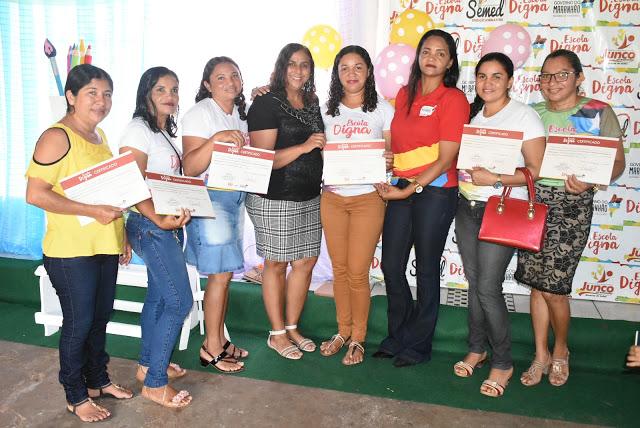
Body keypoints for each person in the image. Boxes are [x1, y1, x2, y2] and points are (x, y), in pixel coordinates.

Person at [25, 64, 133, 422]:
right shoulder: (57, 136)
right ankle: (75, 395)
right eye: (92, 93)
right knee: (79, 323)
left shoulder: (100, 137)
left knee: (99, 319)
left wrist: (123, 237)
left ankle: (98, 380)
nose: (101, 101)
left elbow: (113, 195)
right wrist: (89, 209)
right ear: (71, 97)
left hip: (104, 245)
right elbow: (35, 193)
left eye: (107, 94)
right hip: (70, 252)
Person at [516, 49, 626, 387]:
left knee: (556, 289)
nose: (552, 82)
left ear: (579, 78)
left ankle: (561, 350)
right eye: (546, 76)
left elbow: (617, 163)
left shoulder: (595, 111)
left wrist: (590, 181)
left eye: (561, 75)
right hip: (534, 201)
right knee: (537, 285)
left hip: (572, 205)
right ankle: (540, 355)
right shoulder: (530, 113)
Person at [373, 29, 469, 367]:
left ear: (450, 62)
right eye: (426, 51)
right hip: (402, 187)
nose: (432, 57)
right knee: (391, 265)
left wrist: (408, 189)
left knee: (427, 269)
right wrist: (385, 159)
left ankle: (418, 344)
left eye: (440, 53)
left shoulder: (454, 100)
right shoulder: (403, 94)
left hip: (436, 192)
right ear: (418, 57)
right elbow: (398, 143)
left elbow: (446, 158)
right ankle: (398, 334)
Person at [452, 52, 546, 397]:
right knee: (475, 282)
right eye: (481, 76)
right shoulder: (475, 117)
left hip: (500, 208)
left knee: (488, 286)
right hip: (466, 207)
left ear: (510, 80)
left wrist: (495, 178)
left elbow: (535, 170)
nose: (487, 83)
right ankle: (477, 349)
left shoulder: (525, 115)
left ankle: (503, 362)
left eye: (495, 76)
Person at [119, 66, 192, 408]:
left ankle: (148, 364)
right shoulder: (138, 129)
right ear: (146, 92)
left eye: (174, 89)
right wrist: (160, 219)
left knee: (160, 298)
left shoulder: (162, 131)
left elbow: (163, 182)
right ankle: (155, 383)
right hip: (149, 226)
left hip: (161, 224)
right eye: (161, 88)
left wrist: (180, 209)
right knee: (180, 302)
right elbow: (130, 183)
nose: (170, 95)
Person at [246, 43, 325, 360]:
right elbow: (262, 160)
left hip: (309, 196)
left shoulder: (313, 102)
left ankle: (292, 326)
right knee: (276, 265)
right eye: (292, 64)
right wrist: (305, 147)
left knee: (305, 262)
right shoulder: (266, 103)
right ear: (281, 67)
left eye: (305, 64)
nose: (298, 70)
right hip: (274, 198)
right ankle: (276, 334)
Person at [318, 45, 394, 366]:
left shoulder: (383, 110)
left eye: (358, 67)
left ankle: (358, 337)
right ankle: (342, 330)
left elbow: (389, 155)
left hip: (368, 198)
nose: (351, 74)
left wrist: (389, 160)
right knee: (339, 270)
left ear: (368, 72)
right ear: (337, 74)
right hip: (333, 197)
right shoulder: (326, 110)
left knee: (358, 271)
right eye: (345, 68)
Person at [182, 57, 248, 373]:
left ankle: (218, 339)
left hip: (233, 199)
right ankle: (210, 348)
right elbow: (191, 166)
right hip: (211, 201)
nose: (229, 81)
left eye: (234, 75)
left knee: (225, 275)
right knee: (218, 277)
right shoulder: (199, 114)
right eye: (220, 77)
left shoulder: (239, 114)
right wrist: (214, 140)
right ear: (207, 84)